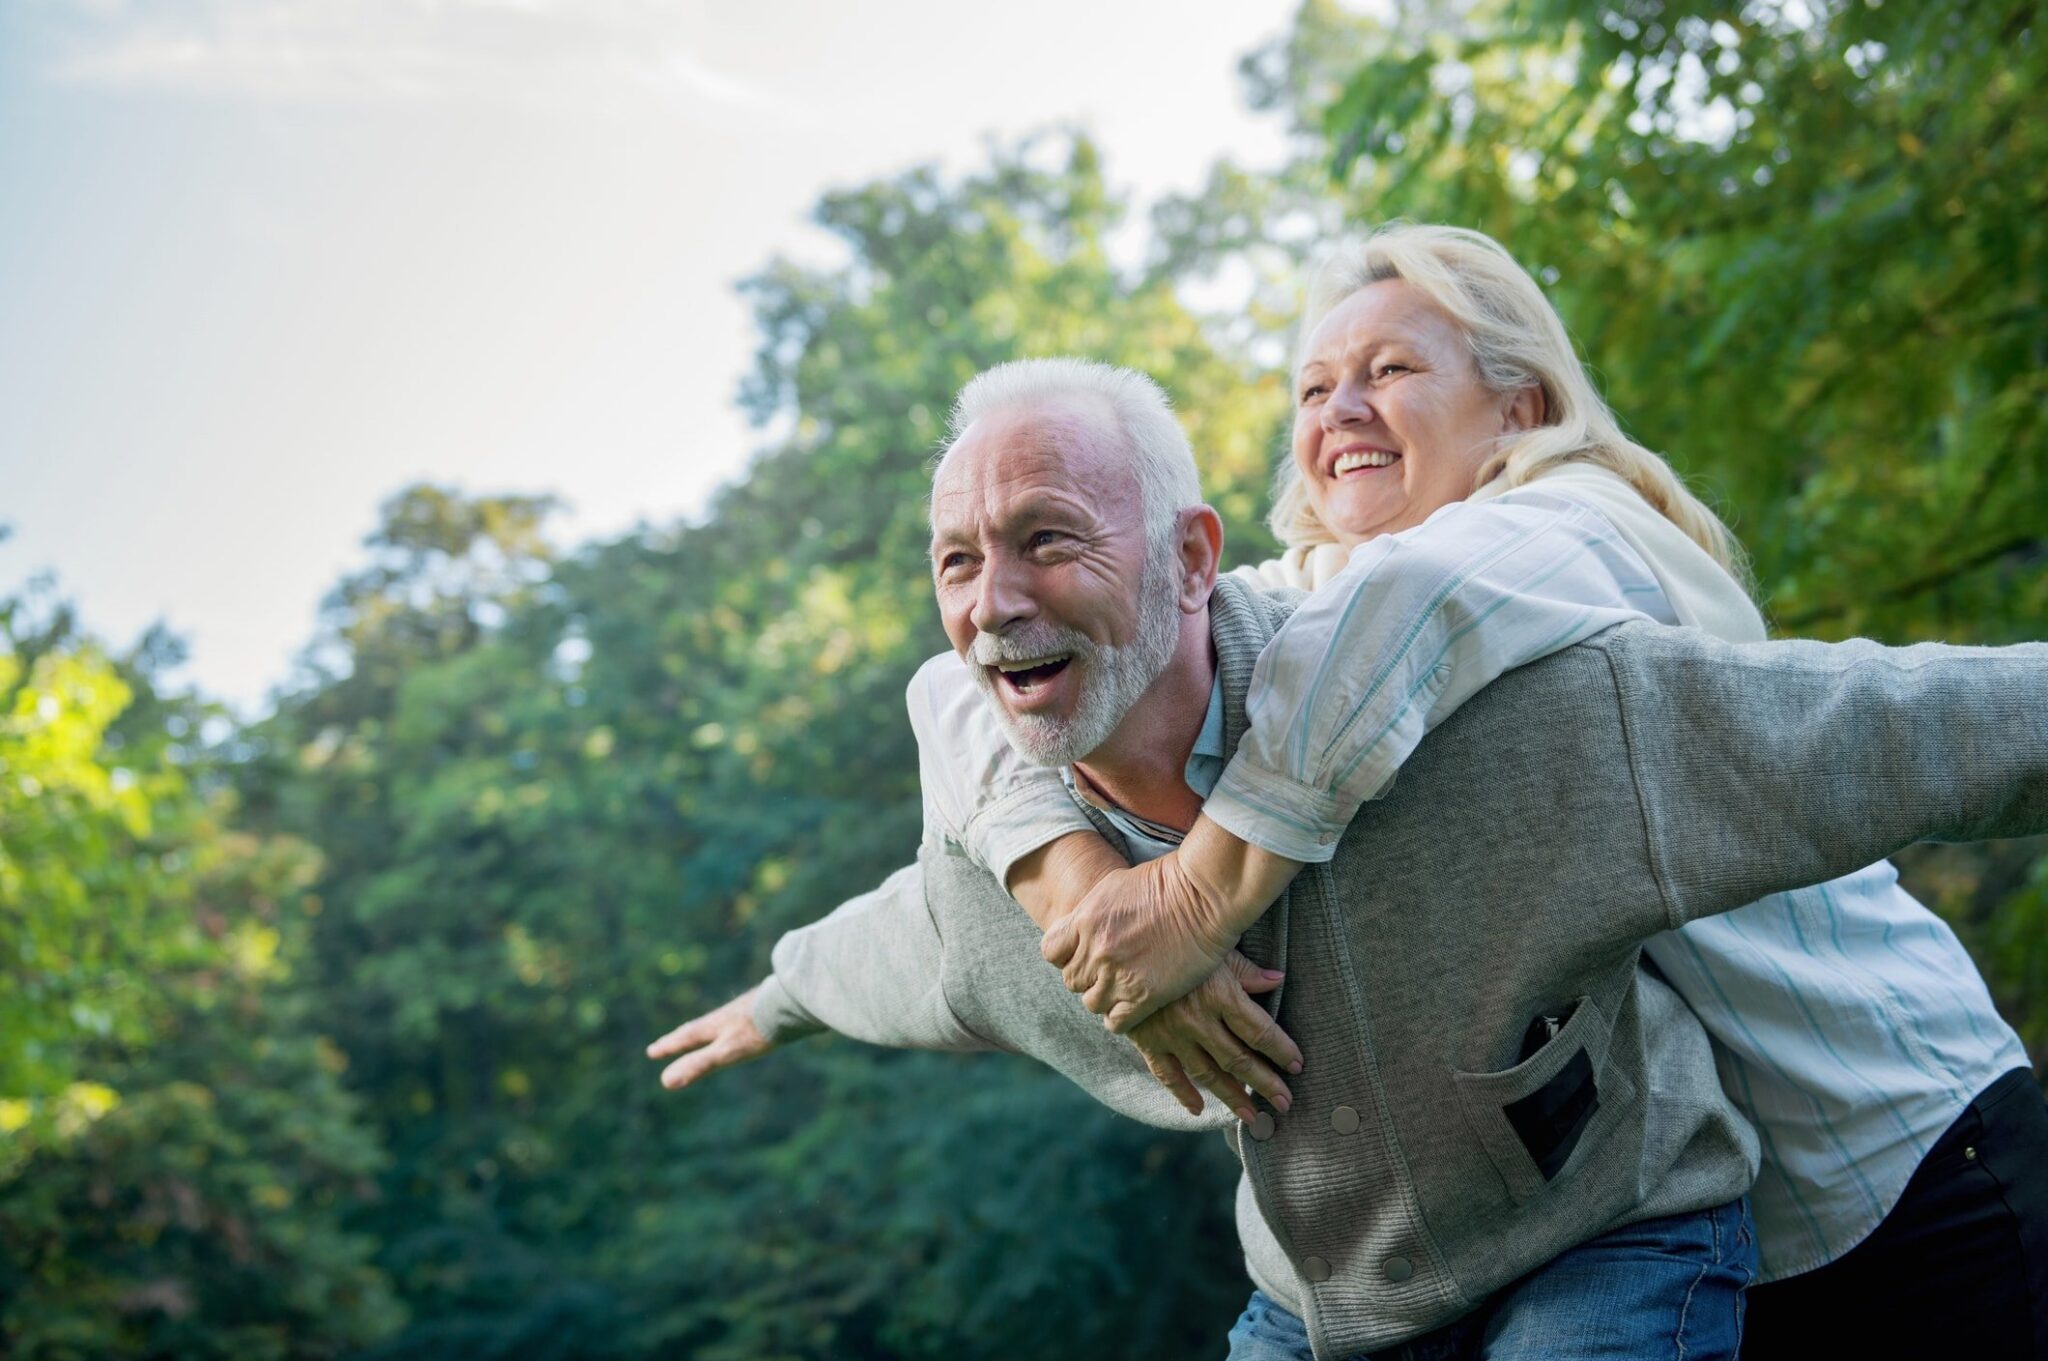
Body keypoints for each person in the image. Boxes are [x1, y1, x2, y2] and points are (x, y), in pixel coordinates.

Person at [648, 357, 2048, 1359]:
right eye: (956, 562)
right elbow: (900, 947)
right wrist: (778, 992)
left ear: (1196, 557)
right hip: (1333, 1303)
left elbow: (1879, 728)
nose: (993, 601)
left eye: (1047, 540)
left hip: (1612, 1237)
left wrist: (1203, 894)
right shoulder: (1009, 876)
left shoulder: (1488, 722)